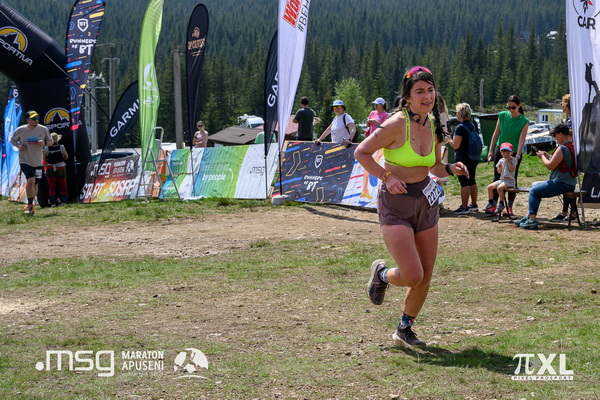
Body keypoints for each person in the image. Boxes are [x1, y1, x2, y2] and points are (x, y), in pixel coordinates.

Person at [354, 66, 469, 347]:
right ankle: (381, 274)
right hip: (395, 202)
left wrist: (450, 168)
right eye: (420, 91)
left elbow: (433, 165)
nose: (427, 96)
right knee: (412, 274)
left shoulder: (433, 124)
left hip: (425, 200)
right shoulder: (395, 123)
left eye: (430, 90)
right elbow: (362, 152)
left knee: (425, 274)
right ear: (407, 96)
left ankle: (404, 329)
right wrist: (386, 176)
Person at [515, 124, 577, 230]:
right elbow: (561, 162)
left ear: (560, 134)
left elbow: (550, 166)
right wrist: (548, 156)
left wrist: (542, 157)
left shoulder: (562, 148)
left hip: (561, 183)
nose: (555, 138)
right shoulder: (572, 146)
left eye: (555, 136)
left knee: (534, 191)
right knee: (535, 187)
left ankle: (531, 220)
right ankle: (529, 216)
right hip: (569, 182)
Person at [485, 95, 529, 216]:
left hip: (513, 152)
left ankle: (509, 206)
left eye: (513, 107)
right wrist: (491, 150)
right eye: (508, 107)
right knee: (497, 176)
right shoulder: (502, 115)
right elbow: (496, 133)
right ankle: (493, 204)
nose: (510, 110)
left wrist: (517, 156)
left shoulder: (524, 121)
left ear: (519, 106)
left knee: (511, 178)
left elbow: (521, 140)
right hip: (500, 149)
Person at [10, 110, 53, 215]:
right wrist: (19, 146)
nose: (36, 121)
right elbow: (12, 139)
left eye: (37, 118)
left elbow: (51, 141)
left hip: (38, 162)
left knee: (35, 185)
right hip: (25, 160)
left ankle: (31, 204)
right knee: (31, 180)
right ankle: (29, 205)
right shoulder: (21, 130)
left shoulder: (43, 129)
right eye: (33, 119)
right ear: (27, 120)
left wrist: (44, 143)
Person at [447, 103, 479, 214]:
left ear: (460, 114)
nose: (456, 114)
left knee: (464, 182)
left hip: (463, 158)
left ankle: (464, 207)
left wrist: (448, 139)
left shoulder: (459, 127)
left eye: (456, 112)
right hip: (473, 157)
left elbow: (456, 145)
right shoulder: (472, 125)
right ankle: (474, 204)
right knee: (472, 180)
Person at [550, 94, 577, 223]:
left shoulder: (572, 120)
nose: (561, 105)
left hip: (568, 152)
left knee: (567, 181)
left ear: (567, 105)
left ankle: (571, 212)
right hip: (567, 151)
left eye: (562, 103)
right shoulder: (569, 120)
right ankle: (568, 211)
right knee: (567, 181)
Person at [486, 142, 517, 216]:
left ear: (512, 153)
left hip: (510, 180)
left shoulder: (513, 160)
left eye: (508, 152)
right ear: (501, 153)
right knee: (490, 187)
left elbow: (512, 169)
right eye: (504, 152)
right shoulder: (501, 160)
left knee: (499, 188)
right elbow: (499, 172)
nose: (506, 154)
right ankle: (491, 202)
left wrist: (508, 161)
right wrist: (499, 167)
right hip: (502, 179)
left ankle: (501, 203)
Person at [43, 132, 69, 206]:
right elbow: (66, 156)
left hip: (50, 167)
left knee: (51, 185)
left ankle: (53, 201)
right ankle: (63, 201)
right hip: (61, 166)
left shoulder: (46, 148)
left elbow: (44, 159)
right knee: (62, 184)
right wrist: (61, 160)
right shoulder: (61, 147)